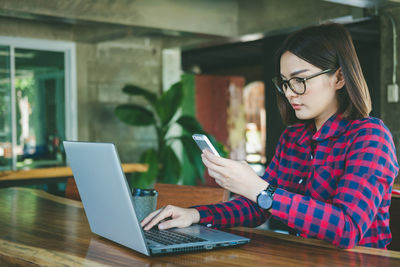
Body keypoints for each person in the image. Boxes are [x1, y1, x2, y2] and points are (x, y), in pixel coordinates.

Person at [141, 23, 399, 249]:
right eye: (285, 82)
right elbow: (257, 207)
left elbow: (347, 229)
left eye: (300, 80)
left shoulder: (370, 137)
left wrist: (259, 188)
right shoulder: (294, 138)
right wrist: (194, 214)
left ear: (339, 77)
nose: (289, 93)